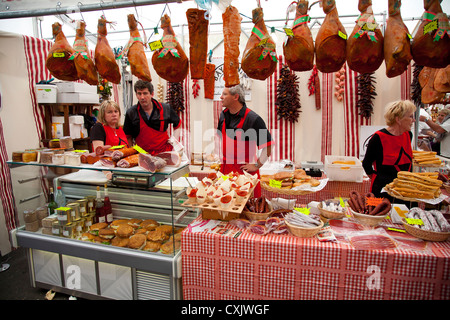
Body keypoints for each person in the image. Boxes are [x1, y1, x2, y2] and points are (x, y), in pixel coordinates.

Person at [216, 85, 274, 197]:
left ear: (235, 97)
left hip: (245, 174)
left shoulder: (253, 119)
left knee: (247, 211)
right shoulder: (223, 115)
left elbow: (268, 145)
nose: (221, 97)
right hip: (226, 172)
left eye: (224, 94)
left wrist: (257, 165)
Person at [362, 100, 415, 200]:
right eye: (410, 116)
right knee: (378, 213)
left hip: (404, 190)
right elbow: (366, 163)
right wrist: (379, 179)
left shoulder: (408, 135)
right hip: (382, 190)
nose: (414, 120)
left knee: (403, 214)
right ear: (398, 119)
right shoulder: (378, 137)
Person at [123, 80, 181, 155]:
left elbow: (178, 124)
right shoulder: (131, 113)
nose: (142, 97)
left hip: (164, 152)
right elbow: (128, 137)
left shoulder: (165, 108)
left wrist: (174, 140)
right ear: (136, 95)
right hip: (142, 155)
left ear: (152, 94)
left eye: (145, 93)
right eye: (139, 94)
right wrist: (132, 154)